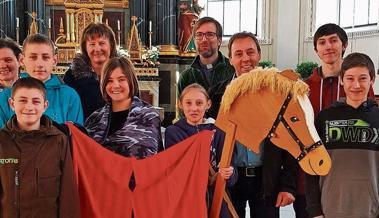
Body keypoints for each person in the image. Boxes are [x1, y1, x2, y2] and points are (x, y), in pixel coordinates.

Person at [302, 23, 374, 218]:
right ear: (316, 49)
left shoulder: (362, 86)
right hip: (318, 182)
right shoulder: (304, 88)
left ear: (344, 45)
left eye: (334, 40)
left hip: (365, 191)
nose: (328, 47)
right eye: (322, 42)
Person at [227, 31, 297, 218]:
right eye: (238, 54)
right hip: (232, 178)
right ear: (230, 59)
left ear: (259, 55)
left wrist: (288, 186)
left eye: (250, 52)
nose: (245, 59)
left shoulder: (279, 93)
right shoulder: (218, 96)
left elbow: (292, 141)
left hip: (266, 177)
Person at [0, 77, 79, 218]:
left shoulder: (58, 140)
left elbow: (68, 192)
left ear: (45, 105)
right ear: (11, 104)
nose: (29, 107)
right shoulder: (2, 142)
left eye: (36, 101)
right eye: (22, 100)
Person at [165, 83, 237, 218]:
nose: (194, 108)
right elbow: (174, 172)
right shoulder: (173, 132)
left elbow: (231, 171)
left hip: (217, 199)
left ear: (208, 104)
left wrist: (229, 173)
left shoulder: (219, 131)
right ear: (180, 104)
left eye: (199, 103)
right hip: (187, 202)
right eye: (188, 103)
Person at [85, 56, 161, 159]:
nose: (115, 85)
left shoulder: (149, 116)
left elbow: (158, 161)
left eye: (121, 79)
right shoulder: (94, 119)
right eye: (109, 81)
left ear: (131, 81)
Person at [0, 33, 83, 128]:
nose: (39, 64)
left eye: (45, 57)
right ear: (22, 60)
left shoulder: (69, 96)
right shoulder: (6, 96)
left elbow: (76, 136)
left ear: (54, 60)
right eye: (33, 57)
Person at [177, 16, 235, 119]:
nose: (204, 39)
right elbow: (183, 114)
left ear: (219, 40)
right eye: (199, 35)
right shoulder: (186, 76)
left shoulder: (232, 70)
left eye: (209, 34)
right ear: (194, 40)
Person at [64, 22, 118, 119]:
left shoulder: (122, 71)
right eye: (92, 44)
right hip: (83, 130)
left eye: (102, 43)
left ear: (111, 45)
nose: (97, 49)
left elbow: (134, 101)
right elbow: (66, 108)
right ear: (85, 48)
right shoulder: (73, 75)